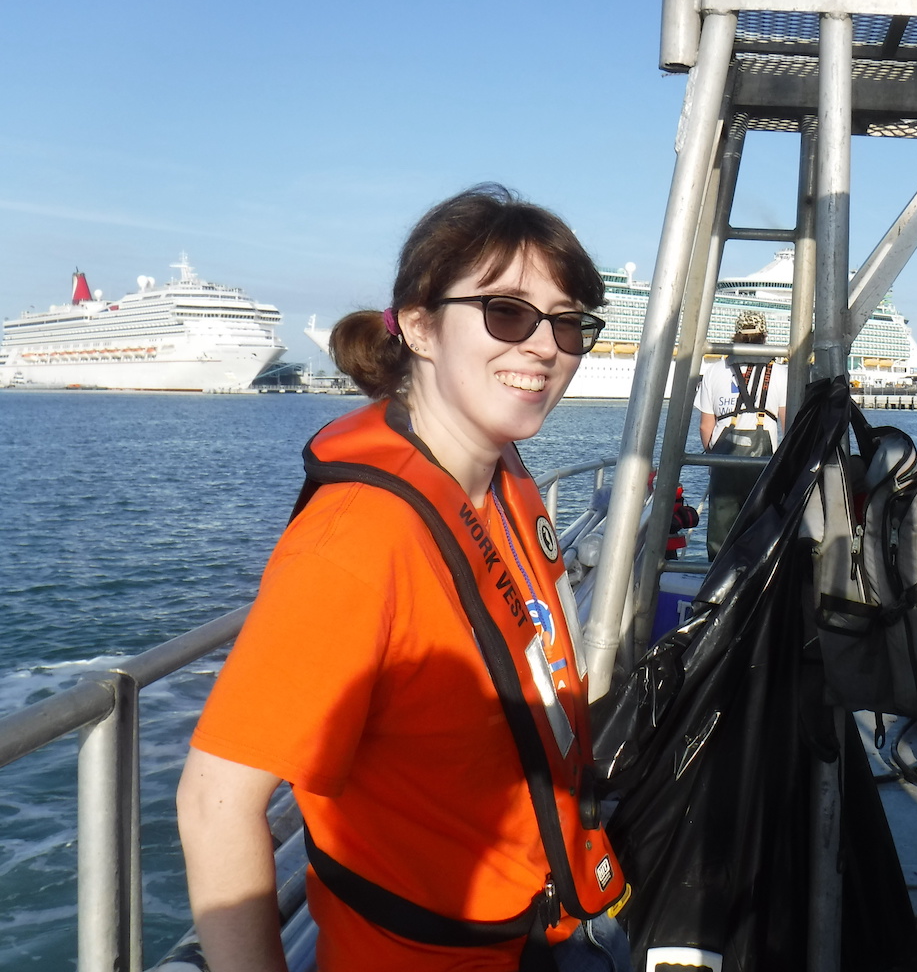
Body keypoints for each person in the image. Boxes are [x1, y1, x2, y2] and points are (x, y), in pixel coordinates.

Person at [176, 185, 629, 972]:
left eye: (567, 322)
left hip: (542, 926)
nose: (545, 347)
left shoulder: (497, 474)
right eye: (507, 313)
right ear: (420, 325)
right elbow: (215, 805)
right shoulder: (358, 542)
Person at [694, 310, 788, 557]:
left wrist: (712, 459)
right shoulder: (779, 371)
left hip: (723, 461)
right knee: (760, 529)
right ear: (764, 336)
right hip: (763, 464)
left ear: (735, 335)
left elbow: (706, 426)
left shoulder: (715, 370)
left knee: (720, 536)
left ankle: (718, 587)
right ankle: (754, 588)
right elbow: (788, 425)